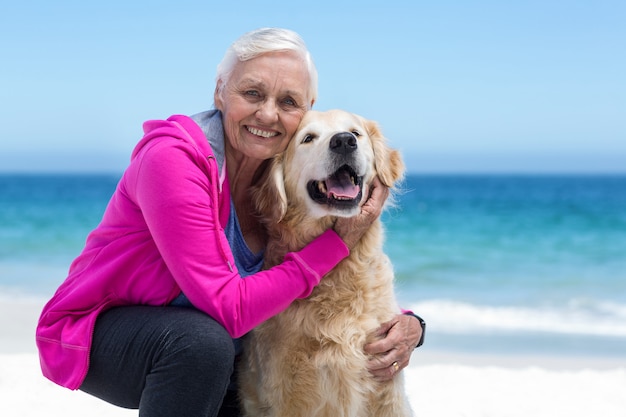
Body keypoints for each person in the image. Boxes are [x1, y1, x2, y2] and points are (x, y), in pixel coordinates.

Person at [36, 27, 424, 417]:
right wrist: (339, 241)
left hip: (218, 347)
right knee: (203, 344)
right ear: (220, 91)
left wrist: (406, 323)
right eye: (252, 93)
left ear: (306, 108)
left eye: (287, 101)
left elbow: (315, 285)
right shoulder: (172, 160)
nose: (268, 113)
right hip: (105, 333)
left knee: (228, 358)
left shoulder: (282, 176)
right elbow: (231, 309)